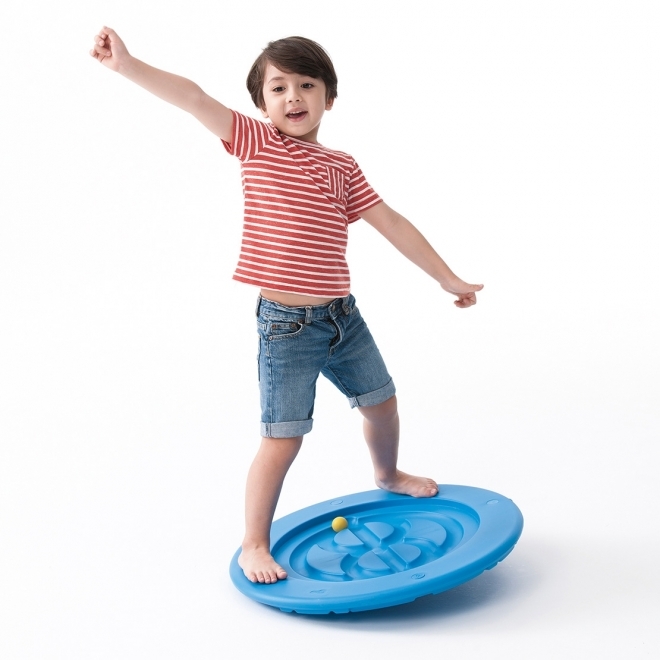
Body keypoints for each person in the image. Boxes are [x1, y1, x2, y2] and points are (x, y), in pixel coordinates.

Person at [90, 27, 484, 585]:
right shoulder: (257, 142)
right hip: (287, 326)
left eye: (306, 85)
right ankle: (254, 543)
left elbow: (392, 223)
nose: (293, 97)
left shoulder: (343, 166)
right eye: (278, 88)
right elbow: (194, 98)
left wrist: (446, 277)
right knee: (283, 438)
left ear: (329, 97)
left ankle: (388, 473)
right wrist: (128, 65)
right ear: (261, 104)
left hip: (342, 318)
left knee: (383, 403)